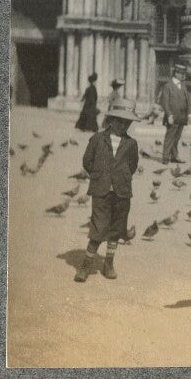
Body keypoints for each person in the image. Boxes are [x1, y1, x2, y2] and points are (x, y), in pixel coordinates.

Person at [73, 98, 141, 282]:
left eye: (127, 122)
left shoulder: (131, 143)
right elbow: (87, 161)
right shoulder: (97, 139)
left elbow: (133, 165)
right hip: (101, 190)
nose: (123, 125)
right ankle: (86, 265)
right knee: (98, 227)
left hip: (122, 192)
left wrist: (121, 177)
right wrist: (100, 176)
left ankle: (109, 263)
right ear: (112, 120)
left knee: (117, 228)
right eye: (120, 121)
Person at [160, 64, 191, 164]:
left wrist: (189, 114)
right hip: (172, 116)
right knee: (170, 137)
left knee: (177, 137)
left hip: (182, 117)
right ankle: (165, 158)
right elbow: (165, 102)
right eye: (181, 74)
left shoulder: (183, 85)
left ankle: (174, 156)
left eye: (183, 73)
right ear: (176, 73)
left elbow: (188, 101)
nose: (183, 76)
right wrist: (169, 115)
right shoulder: (168, 86)